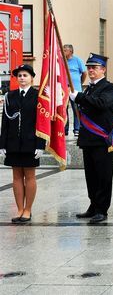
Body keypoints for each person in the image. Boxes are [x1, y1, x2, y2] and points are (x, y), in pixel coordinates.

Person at [71, 53, 113, 224]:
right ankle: (93, 205)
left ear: (103, 70)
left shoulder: (109, 88)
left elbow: (101, 104)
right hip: (88, 139)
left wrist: (80, 97)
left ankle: (102, 209)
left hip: (102, 140)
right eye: (89, 67)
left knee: (103, 176)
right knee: (90, 175)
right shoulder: (89, 88)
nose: (90, 70)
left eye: (94, 67)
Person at [0, 65, 45, 223]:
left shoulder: (38, 95)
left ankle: (28, 209)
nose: (22, 78)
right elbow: (5, 120)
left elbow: (42, 122)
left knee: (30, 176)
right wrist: (2, 144)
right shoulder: (10, 96)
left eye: (25, 75)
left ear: (32, 78)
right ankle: (19, 209)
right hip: (13, 142)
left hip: (30, 143)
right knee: (16, 177)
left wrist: (41, 144)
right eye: (19, 75)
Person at [63, 44, 87, 137]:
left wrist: (80, 83)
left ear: (71, 51)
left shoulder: (77, 60)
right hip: (64, 89)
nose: (63, 51)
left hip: (75, 89)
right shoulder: (61, 61)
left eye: (65, 50)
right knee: (64, 109)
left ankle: (77, 129)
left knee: (76, 108)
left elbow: (84, 73)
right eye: (63, 49)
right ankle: (65, 129)